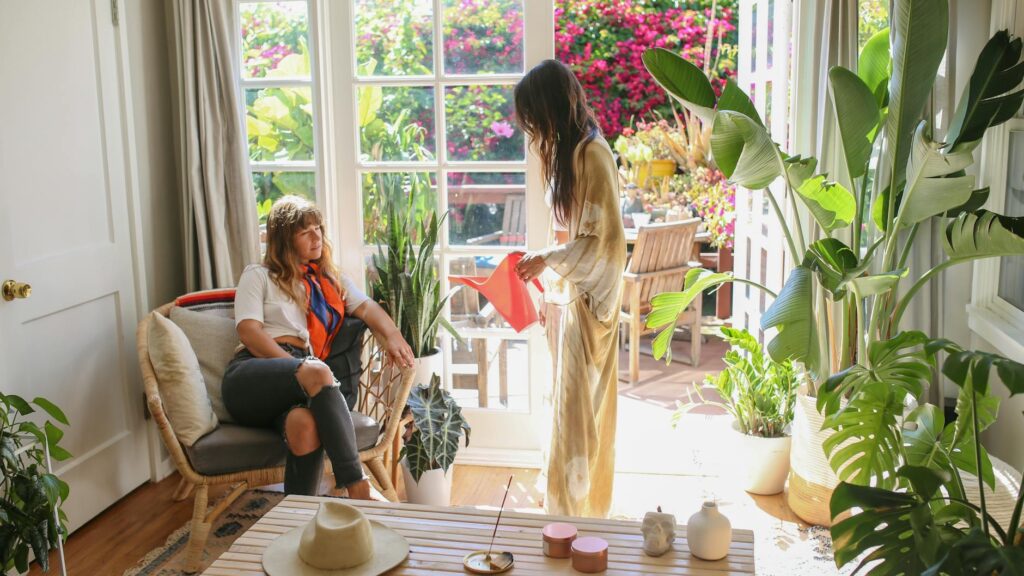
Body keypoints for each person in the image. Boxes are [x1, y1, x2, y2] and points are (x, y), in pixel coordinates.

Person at [222, 196, 415, 498]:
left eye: (319, 229)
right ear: (285, 239)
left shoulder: (328, 280)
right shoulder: (258, 275)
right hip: (252, 375)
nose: (317, 237)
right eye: (305, 231)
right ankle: (357, 485)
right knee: (316, 370)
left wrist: (392, 335)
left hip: (299, 380)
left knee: (305, 426)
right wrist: (296, 368)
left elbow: (366, 308)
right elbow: (249, 332)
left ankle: (300, 518)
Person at [513, 59, 627, 518]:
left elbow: (605, 241)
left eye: (533, 116)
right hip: (569, 292)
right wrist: (548, 277)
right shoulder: (571, 148)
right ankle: (564, 500)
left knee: (580, 412)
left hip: (588, 300)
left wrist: (547, 260)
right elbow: (574, 231)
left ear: (551, 107)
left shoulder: (592, 152)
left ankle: (576, 510)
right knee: (563, 404)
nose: (532, 129)